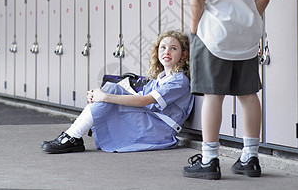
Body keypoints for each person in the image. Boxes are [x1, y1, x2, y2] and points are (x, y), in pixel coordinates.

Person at [179, 0, 275, 180]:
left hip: (213, 35)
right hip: (246, 35)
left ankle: (209, 160)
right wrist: (251, 20)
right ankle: (251, 158)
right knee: (249, 95)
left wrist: (195, 28)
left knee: (213, 96)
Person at [41, 30, 193, 153]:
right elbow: (138, 97)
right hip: (151, 121)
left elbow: (144, 101)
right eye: (163, 47)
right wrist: (103, 95)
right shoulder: (160, 79)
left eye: (174, 48)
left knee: (109, 94)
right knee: (111, 89)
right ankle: (73, 135)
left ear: (183, 55)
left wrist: (106, 97)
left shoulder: (179, 81)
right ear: (157, 51)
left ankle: (72, 136)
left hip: (160, 130)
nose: (167, 51)